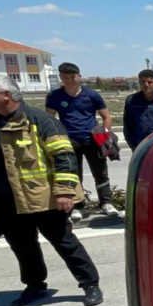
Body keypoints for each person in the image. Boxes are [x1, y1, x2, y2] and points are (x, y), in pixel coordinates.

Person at [0, 75, 103, 306]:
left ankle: (90, 284)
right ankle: (35, 286)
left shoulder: (39, 120)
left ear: (6, 95)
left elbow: (64, 156)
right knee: (23, 247)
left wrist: (64, 192)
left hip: (43, 199)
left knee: (64, 242)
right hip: (10, 201)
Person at [44, 62, 117, 220]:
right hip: (68, 141)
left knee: (100, 173)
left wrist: (105, 135)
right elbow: (49, 119)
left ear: (79, 76)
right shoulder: (54, 96)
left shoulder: (92, 95)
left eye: (73, 77)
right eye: (65, 77)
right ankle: (78, 206)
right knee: (74, 175)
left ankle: (106, 202)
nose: (70, 80)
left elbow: (106, 116)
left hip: (92, 139)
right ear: (61, 78)